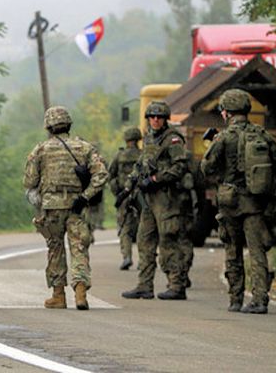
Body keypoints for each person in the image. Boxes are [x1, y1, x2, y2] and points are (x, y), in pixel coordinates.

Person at [201, 89, 276, 314]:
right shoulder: (262, 135)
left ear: (226, 113)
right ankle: (259, 299)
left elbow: (206, 168)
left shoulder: (224, 137)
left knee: (232, 249)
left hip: (229, 202)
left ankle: (236, 298)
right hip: (254, 203)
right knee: (257, 252)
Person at [23, 106, 108, 310]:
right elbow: (101, 175)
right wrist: (85, 197)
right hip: (77, 206)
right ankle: (80, 294)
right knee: (79, 247)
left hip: (52, 207)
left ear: (48, 127)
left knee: (55, 248)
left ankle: (58, 295)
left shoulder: (40, 149)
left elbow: (29, 180)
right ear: (69, 124)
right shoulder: (85, 148)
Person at [122, 101, 191, 301]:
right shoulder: (150, 139)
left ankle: (177, 285)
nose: (155, 120)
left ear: (165, 119)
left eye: (159, 117)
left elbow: (180, 167)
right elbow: (140, 165)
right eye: (151, 116)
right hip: (149, 200)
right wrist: (129, 186)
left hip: (166, 198)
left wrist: (155, 180)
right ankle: (144, 285)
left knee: (168, 240)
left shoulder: (173, 140)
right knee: (144, 240)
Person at [109, 127, 142, 270]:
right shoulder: (142, 155)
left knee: (125, 228)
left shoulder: (119, 155)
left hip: (124, 195)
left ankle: (127, 257)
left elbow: (110, 175)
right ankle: (144, 260)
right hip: (141, 195)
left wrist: (117, 192)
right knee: (144, 228)